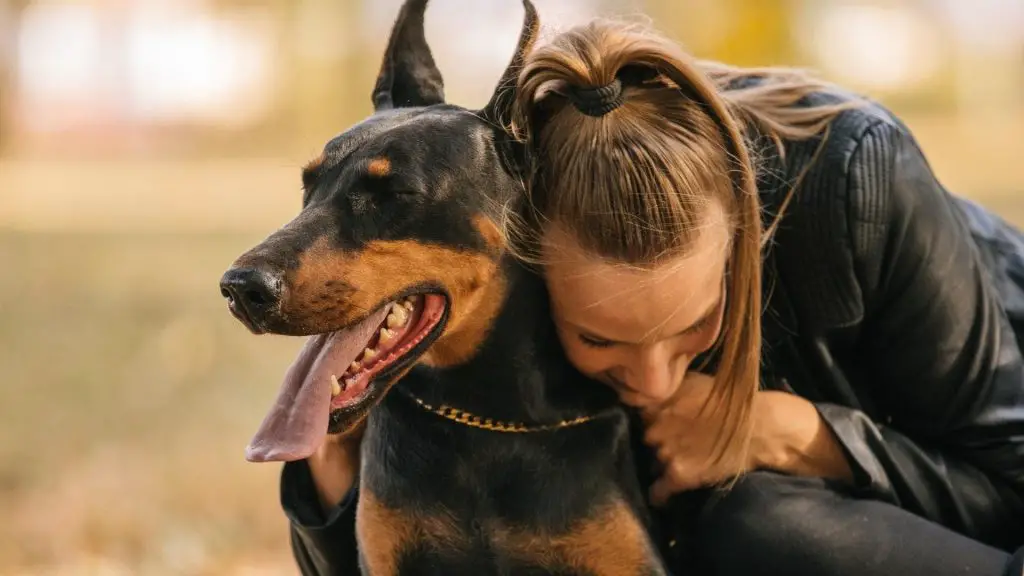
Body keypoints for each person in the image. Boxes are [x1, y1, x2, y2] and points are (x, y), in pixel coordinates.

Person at [278, 18, 1024, 576]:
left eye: (698, 324)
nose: (655, 382)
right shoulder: (503, 253)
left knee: (761, 522)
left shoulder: (858, 179)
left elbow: (1007, 486)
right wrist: (331, 481)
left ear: (746, 233)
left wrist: (802, 434)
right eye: (599, 338)